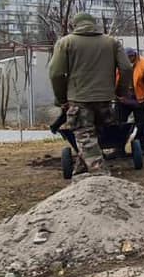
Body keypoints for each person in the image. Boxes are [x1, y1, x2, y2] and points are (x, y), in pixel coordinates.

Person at [48, 13, 133, 176]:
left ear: (75, 25)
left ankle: (100, 175)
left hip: (79, 99)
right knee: (96, 135)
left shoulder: (66, 43)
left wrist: (61, 99)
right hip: (105, 100)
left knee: (85, 136)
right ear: (95, 24)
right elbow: (126, 68)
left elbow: (56, 73)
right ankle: (80, 171)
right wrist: (120, 91)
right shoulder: (111, 42)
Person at [117, 47, 144, 148]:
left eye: (129, 57)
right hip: (124, 99)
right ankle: (120, 145)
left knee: (142, 124)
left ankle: (140, 146)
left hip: (141, 101)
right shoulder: (119, 65)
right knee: (119, 122)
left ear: (133, 56)